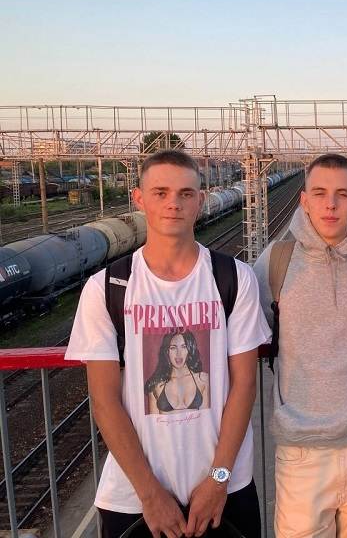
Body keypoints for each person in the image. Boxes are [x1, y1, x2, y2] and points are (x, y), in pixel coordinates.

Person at [66, 149, 269, 538]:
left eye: (185, 194)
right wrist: (150, 494)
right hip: (134, 498)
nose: (173, 203)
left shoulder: (233, 278)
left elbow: (244, 385)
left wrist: (219, 478)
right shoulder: (106, 288)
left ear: (200, 200)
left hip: (225, 490)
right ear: (139, 199)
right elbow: (104, 401)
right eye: (160, 193)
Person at [254, 153, 347, 538]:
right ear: (304, 200)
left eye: (342, 194)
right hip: (301, 451)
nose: (330, 204)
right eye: (319, 193)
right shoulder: (275, 262)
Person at [145, 330, 210, 415]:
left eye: (184, 347)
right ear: (167, 351)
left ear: (190, 349)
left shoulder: (203, 379)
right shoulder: (155, 385)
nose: (178, 353)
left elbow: (206, 419)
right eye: (173, 348)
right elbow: (153, 422)